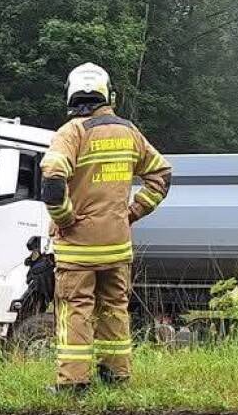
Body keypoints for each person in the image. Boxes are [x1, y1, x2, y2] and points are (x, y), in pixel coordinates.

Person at [39, 63, 173, 393]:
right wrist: (131, 213)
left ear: (71, 94)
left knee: (75, 310)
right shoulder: (129, 132)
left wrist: (65, 218)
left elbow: (53, 183)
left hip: (78, 249)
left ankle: (73, 384)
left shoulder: (72, 132)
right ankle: (116, 376)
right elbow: (162, 176)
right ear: (107, 93)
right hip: (117, 246)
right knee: (114, 309)